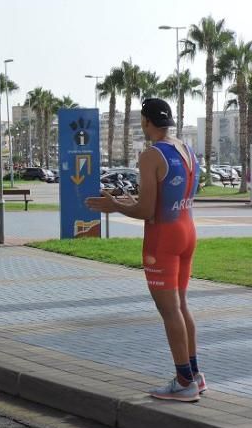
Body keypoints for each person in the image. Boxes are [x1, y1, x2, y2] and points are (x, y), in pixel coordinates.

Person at [86, 98, 204, 402]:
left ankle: (184, 382)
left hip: (163, 239)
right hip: (187, 230)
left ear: (145, 122)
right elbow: (160, 202)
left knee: (170, 312)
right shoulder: (187, 150)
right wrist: (124, 203)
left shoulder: (151, 155)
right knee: (182, 306)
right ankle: (195, 375)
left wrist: (114, 205)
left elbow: (147, 210)